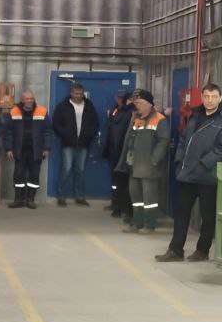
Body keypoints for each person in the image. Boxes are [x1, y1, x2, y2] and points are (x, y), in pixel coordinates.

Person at [159, 83, 222, 262]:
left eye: (214, 97)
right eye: (206, 96)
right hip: (188, 174)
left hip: (208, 175)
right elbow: (183, 139)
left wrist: (203, 163)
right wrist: (179, 160)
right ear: (201, 97)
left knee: (207, 216)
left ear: (220, 98)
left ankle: (202, 250)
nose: (210, 100)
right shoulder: (195, 114)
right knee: (181, 213)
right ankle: (175, 250)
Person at [117, 89, 170, 233]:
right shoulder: (138, 118)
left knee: (149, 198)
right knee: (136, 197)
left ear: (149, 104)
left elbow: (163, 141)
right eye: (136, 103)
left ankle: (149, 225)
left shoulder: (159, 119)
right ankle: (137, 223)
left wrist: (154, 160)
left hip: (149, 166)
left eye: (140, 103)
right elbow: (131, 138)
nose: (137, 106)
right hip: (134, 165)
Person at [51, 83, 99, 207]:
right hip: (68, 143)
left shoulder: (89, 106)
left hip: (83, 144)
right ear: (71, 93)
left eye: (80, 94)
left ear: (83, 94)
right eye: (76, 93)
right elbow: (56, 124)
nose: (78, 96)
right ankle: (61, 197)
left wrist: (88, 136)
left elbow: (95, 124)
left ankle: (80, 197)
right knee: (66, 169)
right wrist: (65, 135)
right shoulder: (62, 106)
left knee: (80, 170)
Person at [3, 90, 51, 209]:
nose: (29, 101)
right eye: (27, 99)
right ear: (22, 100)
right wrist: (8, 148)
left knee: (34, 175)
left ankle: (30, 200)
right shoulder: (14, 111)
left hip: (36, 150)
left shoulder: (42, 111)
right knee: (18, 175)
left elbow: (48, 131)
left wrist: (46, 148)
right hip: (20, 150)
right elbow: (8, 132)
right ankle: (18, 200)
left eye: (31, 99)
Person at [104, 88, 135, 221]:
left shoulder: (130, 113)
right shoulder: (116, 110)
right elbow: (112, 130)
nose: (119, 99)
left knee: (125, 182)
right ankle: (117, 206)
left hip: (123, 151)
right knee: (117, 182)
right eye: (118, 97)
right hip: (115, 151)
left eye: (122, 97)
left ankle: (123, 209)